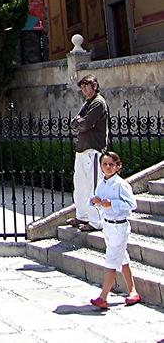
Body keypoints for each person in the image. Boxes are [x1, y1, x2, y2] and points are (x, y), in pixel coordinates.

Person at [89, 151, 140, 309]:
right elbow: (96, 198)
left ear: (118, 166)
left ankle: (103, 296)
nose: (108, 167)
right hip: (108, 226)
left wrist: (112, 203)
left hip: (119, 225)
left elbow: (132, 204)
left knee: (111, 260)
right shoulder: (102, 183)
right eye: (105, 164)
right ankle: (132, 291)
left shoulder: (121, 184)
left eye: (111, 164)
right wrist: (95, 201)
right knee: (122, 258)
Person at [68, 75, 108, 232]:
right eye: (82, 86)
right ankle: (82, 215)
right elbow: (74, 123)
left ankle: (96, 220)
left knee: (93, 186)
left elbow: (85, 123)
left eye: (87, 86)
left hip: (93, 148)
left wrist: (79, 121)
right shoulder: (87, 103)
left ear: (95, 86)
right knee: (80, 185)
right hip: (82, 148)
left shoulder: (98, 103)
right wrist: (78, 121)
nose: (84, 89)